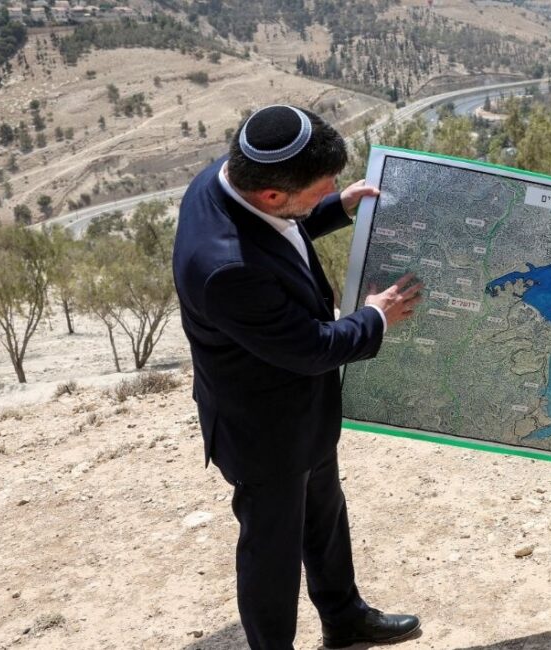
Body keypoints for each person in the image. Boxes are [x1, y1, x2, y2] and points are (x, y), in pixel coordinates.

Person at [172, 104, 424, 649]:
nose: (330, 187)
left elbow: (279, 230)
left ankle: (344, 619)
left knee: (324, 516)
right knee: (272, 553)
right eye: (322, 186)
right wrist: (377, 316)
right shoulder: (224, 268)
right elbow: (312, 348)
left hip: (302, 413)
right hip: (262, 431)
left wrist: (337, 205)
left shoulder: (237, 172)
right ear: (272, 195)